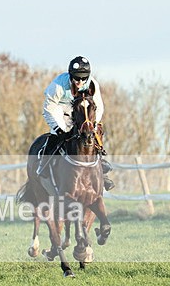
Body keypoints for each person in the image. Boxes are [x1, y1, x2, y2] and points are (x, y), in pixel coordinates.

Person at [38, 56, 114, 190]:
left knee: (93, 132)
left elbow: (99, 107)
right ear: (70, 75)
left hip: (81, 110)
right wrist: (58, 128)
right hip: (60, 110)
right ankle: (44, 163)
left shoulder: (92, 84)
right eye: (77, 78)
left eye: (83, 78)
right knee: (59, 133)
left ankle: (100, 164)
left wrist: (93, 123)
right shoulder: (58, 86)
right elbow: (48, 108)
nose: (80, 81)